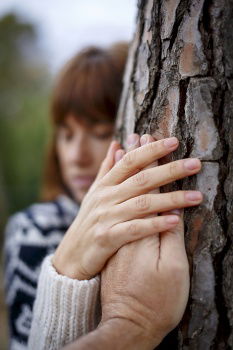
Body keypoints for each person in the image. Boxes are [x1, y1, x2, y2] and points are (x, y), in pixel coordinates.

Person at [4, 41, 203, 350]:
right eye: (66, 135)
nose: (76, 156)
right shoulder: (32, 230)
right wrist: (67, 267)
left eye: (99, 132)